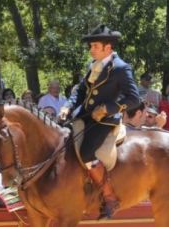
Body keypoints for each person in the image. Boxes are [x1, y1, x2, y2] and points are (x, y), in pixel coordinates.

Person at [58, 24, 139, 219]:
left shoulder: (120, 68)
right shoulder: (92, 65)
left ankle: (110, 197)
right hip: (84, 115)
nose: (91, 49)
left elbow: (134, 98)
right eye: (91, 46)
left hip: (105, 120)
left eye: (95, 46)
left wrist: (108, 108)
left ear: (108, 47)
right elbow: (80, 90)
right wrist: (67, 106)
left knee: (86, 153)